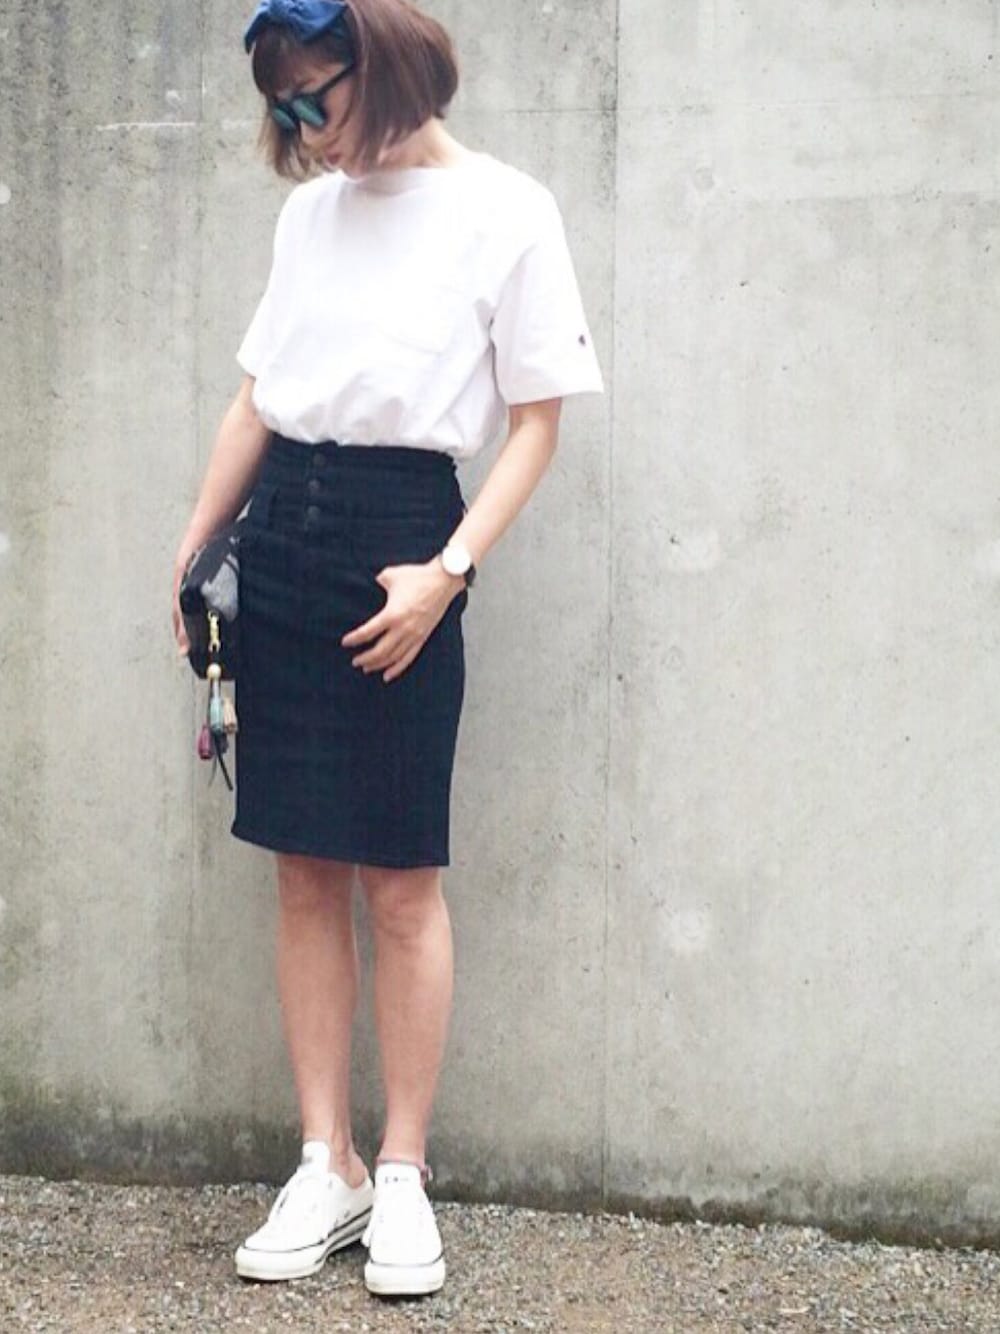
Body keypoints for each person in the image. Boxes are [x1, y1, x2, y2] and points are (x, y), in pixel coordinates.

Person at [171, 0, 604, 1300]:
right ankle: (330, 1161)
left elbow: (537, 421)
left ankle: (404, 1170)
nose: (306, 130)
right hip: (284, 536)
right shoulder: (309, 217)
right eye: (285, 109)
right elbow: (258, 396)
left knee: (402, 875)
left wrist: (448, 571)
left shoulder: (508, 211)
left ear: (389, 63)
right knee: (303, 868)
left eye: (319, 96)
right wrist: (195, 550)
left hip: (406, 541)